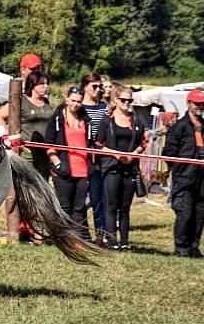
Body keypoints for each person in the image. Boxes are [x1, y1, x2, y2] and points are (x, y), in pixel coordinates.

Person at [162, 89, 204, 258]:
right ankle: (182, 249)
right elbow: (168, 153)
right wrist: (180, 169)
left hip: (202, 177)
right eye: (197, 103)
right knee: (185, 213)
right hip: (184, 177)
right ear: (188, 103)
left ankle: (194, 247)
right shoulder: (179, 127)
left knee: (199, 214)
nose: (200, 106)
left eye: (203, 104)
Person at [97, 86, 147, 251]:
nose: (127, 103)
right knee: (111, 206)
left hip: (130, 168)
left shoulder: (136, 120)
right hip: (111, 167)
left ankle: (125, 242)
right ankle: (111, 241)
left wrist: (134, 153)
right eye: (124, 100)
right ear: (116, 100)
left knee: (125, 207)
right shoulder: (107, 119)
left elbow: (142, 143)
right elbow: (98, 145)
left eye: (130, 100)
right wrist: (116, 154)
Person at [44, 86, 92, 239]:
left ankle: (77, 239)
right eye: (73, 100)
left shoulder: (86, 120)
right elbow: (48, 144)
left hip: (83, 168)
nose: (75, 104)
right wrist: (57, 163)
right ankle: (62, 238)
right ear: (66, 99)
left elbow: (90, 143)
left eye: (79, 101)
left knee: (79, 207)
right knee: (64, 206)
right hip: (63, 167)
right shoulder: (56, 119)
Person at [0, 70, 53, 179]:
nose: (46, 86)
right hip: (26, 151)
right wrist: (9, 136)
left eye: (47, 83)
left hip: (44, 151)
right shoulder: (22, 101)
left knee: (43, 182)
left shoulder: (46, 102)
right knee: (26, 182)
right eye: (42, 83)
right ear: (33, 84)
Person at [81, 72, 108, 245]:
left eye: (100, 86)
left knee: (98, 198)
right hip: (81, 157)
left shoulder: (104, 107)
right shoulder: (77, 106)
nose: (98, 90)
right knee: (80, 199)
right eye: (94, 86)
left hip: (99, 159)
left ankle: (100, 235)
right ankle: (82, 233)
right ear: (85, 86)